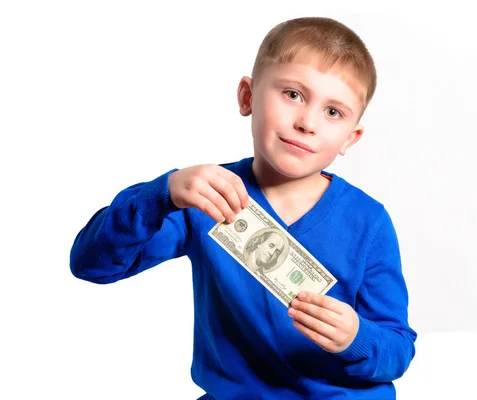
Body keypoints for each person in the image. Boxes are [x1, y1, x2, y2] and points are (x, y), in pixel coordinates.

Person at [70, 16, 417, 400]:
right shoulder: (202, 198)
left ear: (350, 138)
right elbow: (91, 264)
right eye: (293, 94)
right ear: (247, 97)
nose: (307, 123)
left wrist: (357, 338)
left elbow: (398, 349)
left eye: (333, 112)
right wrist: (160, 194)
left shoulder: (368, 223)